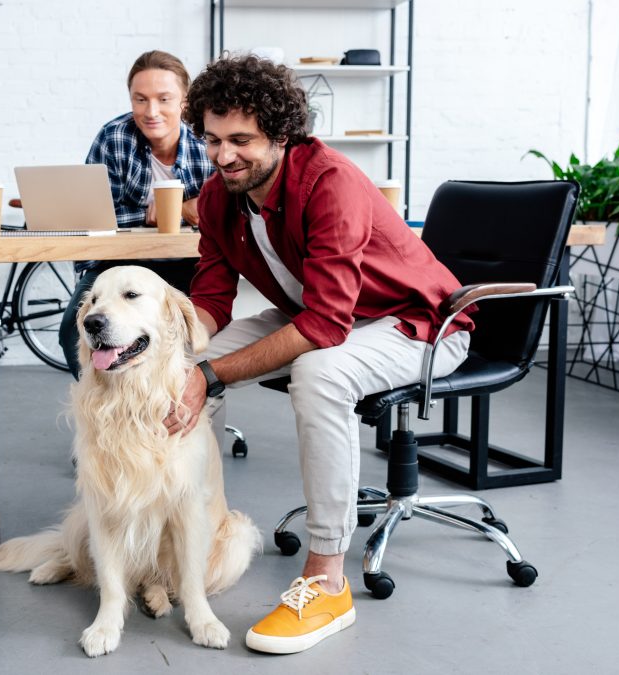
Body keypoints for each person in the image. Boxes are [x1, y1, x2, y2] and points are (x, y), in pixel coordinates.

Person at [169, 55, 475, 655]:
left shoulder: (329, 181)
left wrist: (209, 374)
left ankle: (326, 579)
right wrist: (185, 362)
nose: (223, 155)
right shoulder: (216, 196)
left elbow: (324, 327)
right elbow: (210, 298)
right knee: (171, 368)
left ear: (282, 135)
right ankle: (185, 541)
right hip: (321, 312)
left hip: (417, 324)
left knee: (318, 373)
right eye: (211, 139)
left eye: (241, 141)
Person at [57, 50, 215, 376]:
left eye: (164, 99)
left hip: (192, 264)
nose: (151, 111)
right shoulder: (114, 138)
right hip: (119, 263)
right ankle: (110, 413)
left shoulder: (208, 142)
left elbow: (227, 210)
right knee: (72, 335)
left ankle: (177, 411)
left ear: (185, 102)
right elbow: (94, 216)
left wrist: (189, 210)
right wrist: (151, 214)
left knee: (191, 334)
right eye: (140, 100)